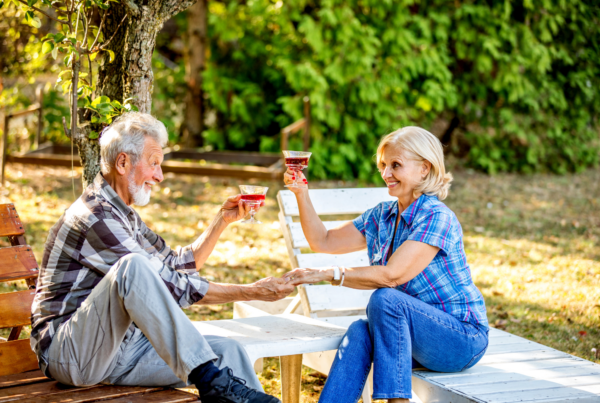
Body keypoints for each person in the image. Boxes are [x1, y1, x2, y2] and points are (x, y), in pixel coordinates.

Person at [30, 112, 293, 403]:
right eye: (154, 163)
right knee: (133, 266)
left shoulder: (124, 214)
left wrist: (222, 220)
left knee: (229, 352)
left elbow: (177, 264)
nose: (160, 175)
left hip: (121, 350)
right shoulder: (94, 217)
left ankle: (217, 383)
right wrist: (250, 292)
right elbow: (169, 285)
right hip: (71, 355)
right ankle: (211, 382)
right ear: (122, 163)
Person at [282, 127, 489, 403]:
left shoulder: (437, 216)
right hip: (412, 334)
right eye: (383, 165)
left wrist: (327, 274)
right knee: (359, 329)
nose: (386, 174)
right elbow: (324, 241)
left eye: (396, 165)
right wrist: (300, 193)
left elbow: (391, 276)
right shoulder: (382, 215)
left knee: (385, 299)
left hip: (461, 339)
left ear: (424, 169)